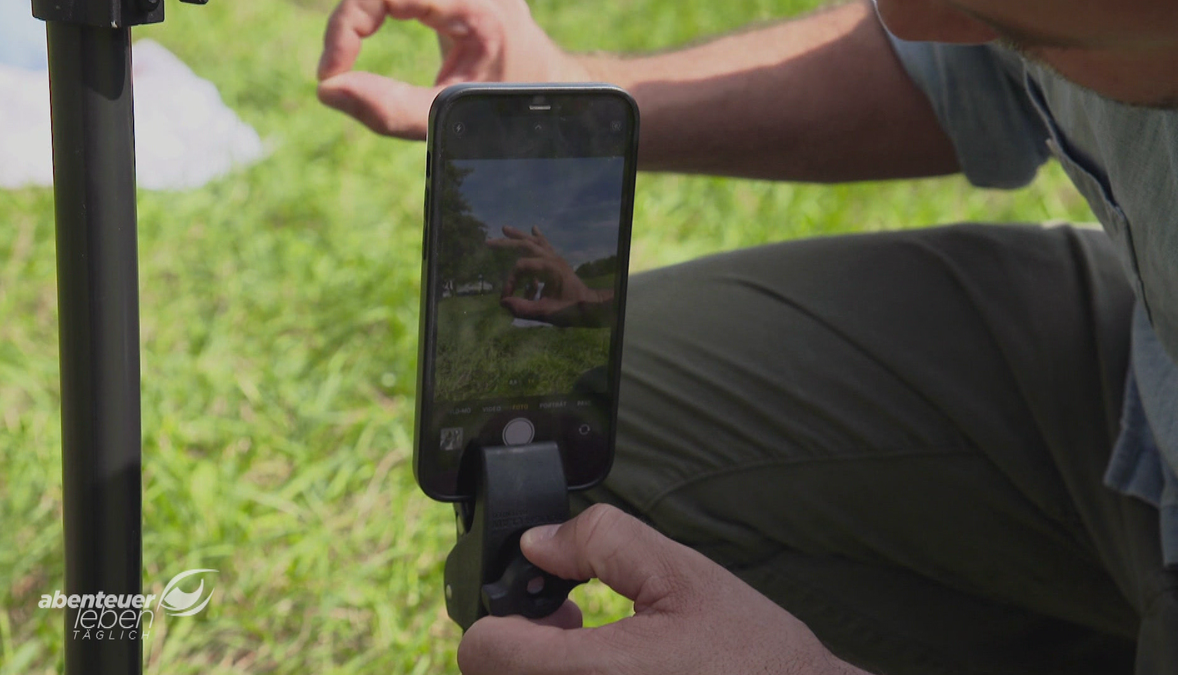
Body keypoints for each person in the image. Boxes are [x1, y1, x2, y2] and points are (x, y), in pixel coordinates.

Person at [316, 0, 1178, 672]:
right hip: (1146, 365)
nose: (904, 12)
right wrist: (562, 80)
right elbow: (949, 62)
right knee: (607, 395)